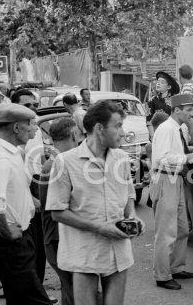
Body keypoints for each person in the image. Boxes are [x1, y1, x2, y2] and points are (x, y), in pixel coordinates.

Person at [47, 101, 144, 305]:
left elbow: (128, 193)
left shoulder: (122, 158)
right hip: (85, 254)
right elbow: (57, 212)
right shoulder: (65, 162)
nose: (123, 132)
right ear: (99, 128)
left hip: (118, 252)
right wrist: (100, 228)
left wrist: (132, 216)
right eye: (117, 126)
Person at [0, 103, 53, 305]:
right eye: (30, 124)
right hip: (13, 242)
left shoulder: (13, 152)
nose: (33, 128)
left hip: (22, 234)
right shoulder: (1, 157)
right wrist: (7, 232)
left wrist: (31, 202)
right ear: (16, 128)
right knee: (35, 299)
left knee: (18, 298)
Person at [150, 94, 193, 290]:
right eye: (188, 109)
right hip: (165, 178)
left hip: (175, 179)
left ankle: (176, 267)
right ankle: (162, 275)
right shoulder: (166, 129)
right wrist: (186, 158)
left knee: (181, 228)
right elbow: (162, 158)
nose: (191, 113)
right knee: (166, 231)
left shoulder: (178, 129)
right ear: (177, 109)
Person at [39, 118, 78, 305]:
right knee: (76, 290)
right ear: (74, 134)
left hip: (55, 237)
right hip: (58, 238)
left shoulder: (55, 162)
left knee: (70, 289)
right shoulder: (58, 164)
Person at [146, 71, 180, 136]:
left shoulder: (175, 100)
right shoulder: (152, 100)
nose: (158, 84)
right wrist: (153, 136)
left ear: (169, 87)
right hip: (156, 132)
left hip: (171, 133)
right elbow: (148, 120)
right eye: (158, 82)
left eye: (162, 82)